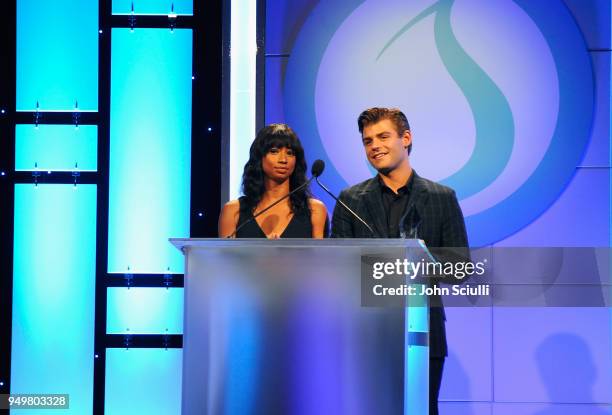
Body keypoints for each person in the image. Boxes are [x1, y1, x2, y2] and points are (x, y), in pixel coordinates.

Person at [331, 107, 469, 415]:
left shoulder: (441, 197)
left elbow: (461, 267)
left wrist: (416, 265)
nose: (374, 146)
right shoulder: (350, 200)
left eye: (383, 136)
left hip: (423, 332)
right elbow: (337, 269)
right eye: (367, 141)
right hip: (366, 332)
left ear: (405, 138)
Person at [219, 123, 328, 238]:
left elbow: (320, 256)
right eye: (274, 151)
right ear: (259, 157)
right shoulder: (233, 211)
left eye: (290, 153)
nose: (283, 159)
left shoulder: (315, 210)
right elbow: (226, 256)